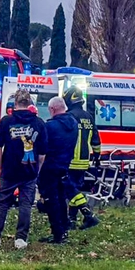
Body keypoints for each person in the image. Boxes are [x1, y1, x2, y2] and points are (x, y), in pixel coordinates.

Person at [0, 89, 47, 249]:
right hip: (29, 169)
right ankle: (21, 239)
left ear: (15, 103)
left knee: (2, 202)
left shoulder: (6, 121)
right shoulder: (39, 123)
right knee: (25, 204)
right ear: (30, 103)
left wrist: (0, 168)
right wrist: (37, 170)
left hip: (9, 169)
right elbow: (43, 154)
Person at [39, 96, 78, 243]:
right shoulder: (73, 124)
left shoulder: (50, 126)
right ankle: (63, 229)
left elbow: (43, 148)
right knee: (62, 199)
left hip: (49, 167)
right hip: (64, 165)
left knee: (51, 201)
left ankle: (57, 234)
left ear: (52, 109)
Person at [63, 87, 102, 230]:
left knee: (70, 190)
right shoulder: (89, 117)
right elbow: (96, 140)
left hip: (70, 159)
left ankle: (88, 214)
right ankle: (72, 220)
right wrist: (97, 156)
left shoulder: (69, 116)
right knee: (76, 187)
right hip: (84, 160)